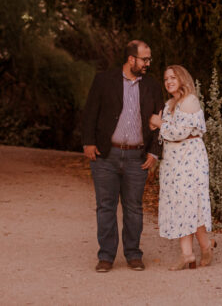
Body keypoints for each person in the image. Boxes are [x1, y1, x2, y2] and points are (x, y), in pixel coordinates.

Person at [81, 40, 164, 272]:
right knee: (105, 206)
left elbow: (160, 120)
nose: (148, 63)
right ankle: (106, 256)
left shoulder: (152, 85)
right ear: (131, 59)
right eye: (144, 59)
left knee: (134, 208)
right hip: (105, 155)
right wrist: (88, 142)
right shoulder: (104, 81)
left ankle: (133, 254)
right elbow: (89, 113)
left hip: (137, 157)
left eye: (149, 59)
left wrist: (154, 152)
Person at [149, 65, 215, 270]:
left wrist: (160, 124)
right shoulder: (169, 104)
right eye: (166, 78)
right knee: (179, 204)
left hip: (190, 159)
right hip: (172, 160)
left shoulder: (190, 101)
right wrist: (156, 125)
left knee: (191, 203)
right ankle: (187, 255)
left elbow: (179, 132)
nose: (168, 81)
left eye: (173, 77)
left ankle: (205, 246)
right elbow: (164, 131)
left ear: (182, 79)